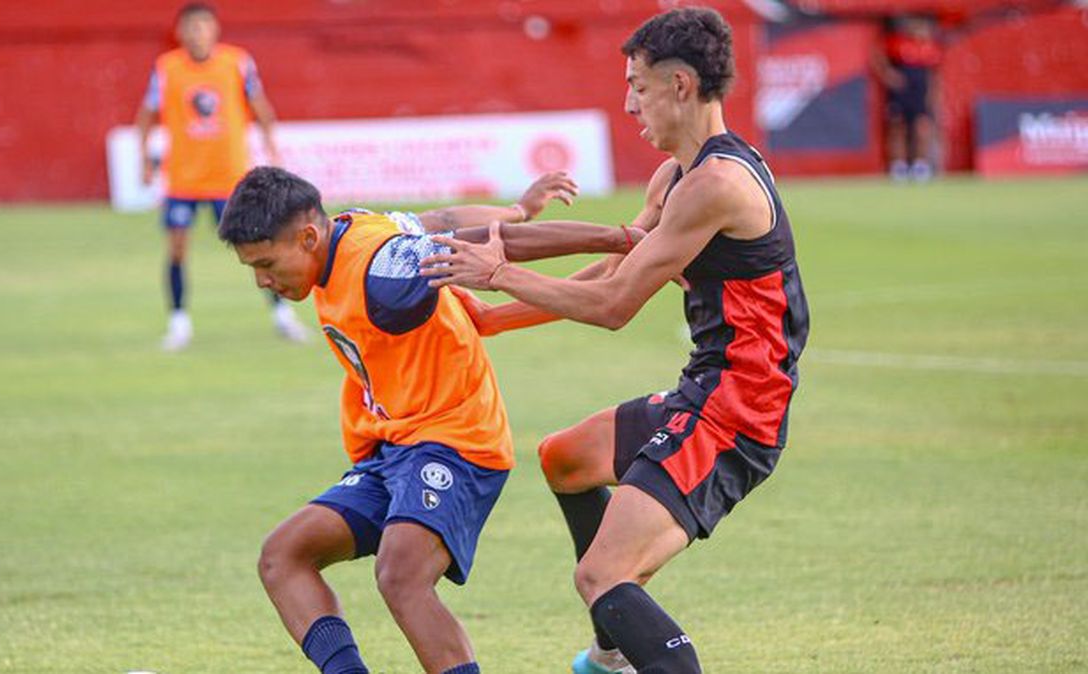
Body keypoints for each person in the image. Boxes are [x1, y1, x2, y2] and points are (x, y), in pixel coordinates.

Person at [422, 8, 810, 673]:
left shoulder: (717, 186)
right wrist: (491, 318)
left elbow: (611, 306)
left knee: (601, 576)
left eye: (638, 86)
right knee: (565, 459)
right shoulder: (677, 177)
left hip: (737, 411)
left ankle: (622, 646)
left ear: (681, 86)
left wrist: (498, 273)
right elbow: (613, 267)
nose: (628, 104)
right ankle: (613, 652)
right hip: (708, 389)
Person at [217, 166, 643, 674]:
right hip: (394, 449)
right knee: (283, 556)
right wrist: (518, 207)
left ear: (309, 236)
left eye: (266, 263)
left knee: (401, 575)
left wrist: (619, 238)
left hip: (456, 443)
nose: (262, 281)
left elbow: (496, 244)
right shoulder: (354, 231)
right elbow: (439, 218)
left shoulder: (382, 268)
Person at [135, 2, 307, 351]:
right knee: (177, 249)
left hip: (229, 177)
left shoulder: (237, 63)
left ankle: (283, 315)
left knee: (257, 247)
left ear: (215, 30)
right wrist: (145, 159)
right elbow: (146, 115)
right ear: (180, 32)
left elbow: (261, 108)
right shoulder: (167, 68)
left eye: (204, 26)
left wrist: (273, 148)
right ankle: (179, 322)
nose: (197, 33)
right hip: (183, 178)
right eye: (191, 27)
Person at [872, 15, 942, 182]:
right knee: (898, 127)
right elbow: (877, 56)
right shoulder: (897, 43)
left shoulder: (929, 47)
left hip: (920, 94)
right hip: (901, 93)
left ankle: (920, 166)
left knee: (921, 128)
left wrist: (933, 96)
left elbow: (933, 76)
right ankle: (899, 166)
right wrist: (888, 75)